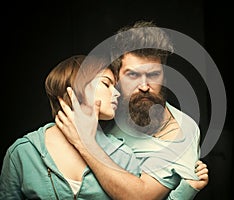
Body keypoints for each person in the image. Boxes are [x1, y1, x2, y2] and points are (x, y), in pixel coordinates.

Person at [56, 20, 208, 200]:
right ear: (116, 77)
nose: (144, 86)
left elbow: (140, 197)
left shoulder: (181, 132)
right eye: (133, 75)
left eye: (153, 75)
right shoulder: (105, 107)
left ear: (164, 77)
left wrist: (84, 144)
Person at [0, 55, 142, 199]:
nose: (117, 93)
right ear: (77, 85)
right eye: (106, 83)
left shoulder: (122, 156)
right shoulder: (23, 152)